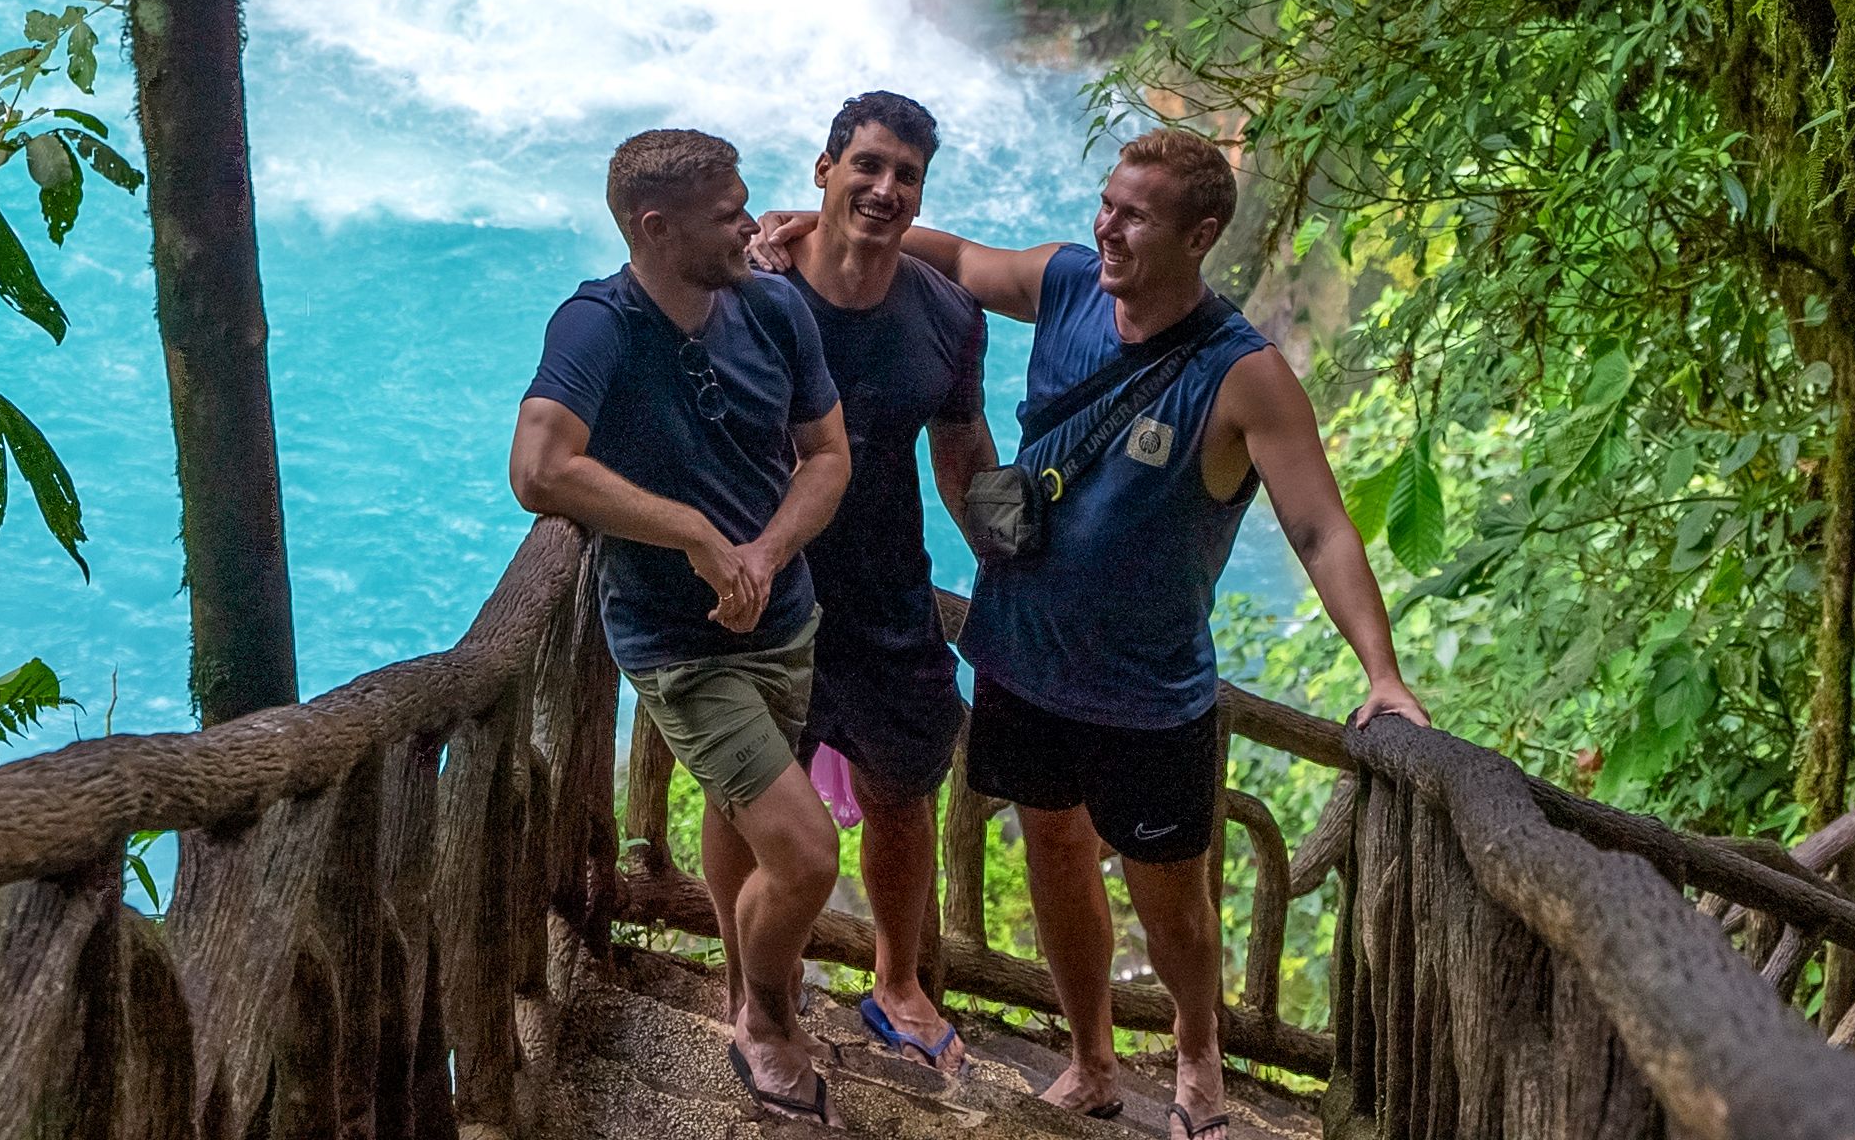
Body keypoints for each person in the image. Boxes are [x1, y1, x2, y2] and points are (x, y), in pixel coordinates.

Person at [793, 125, 1424, 1137]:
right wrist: (818, 223)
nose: (1107, 227)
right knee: (1052, 854)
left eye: (1134, 214)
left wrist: (1380, 671)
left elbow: (1318, 526)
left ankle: (1195, 1051)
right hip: (1023, 658)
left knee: (1169, 902)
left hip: (1149, 688)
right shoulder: (1067, 284)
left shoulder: (1241, 374)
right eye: (1106, 203)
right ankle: (1088, 1059)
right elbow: (951, 258)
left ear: (1200, 233)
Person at [510, 127, 855, 1122]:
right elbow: (536, 467)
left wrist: (767, 551)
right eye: (729, 212)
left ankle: (742, 983)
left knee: (750, 827)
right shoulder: (598, 326)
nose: (754, 224)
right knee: (805, 851)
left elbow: (825, 456)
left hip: (782, 619)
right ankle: (769, 1020)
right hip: (677, 642)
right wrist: (695, 533)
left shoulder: (773, 307)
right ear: (655, 229)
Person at [773, 89, 996, 1084]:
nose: (883, 186)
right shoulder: (755, 291)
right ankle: (757, 985)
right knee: (754, 787)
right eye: (865, 164)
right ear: (823, 170)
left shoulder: (945, 316)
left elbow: (961, 455)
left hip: (884, 589)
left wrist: (1013, 561)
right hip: (765, 588)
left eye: (904, 174)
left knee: (904, 786)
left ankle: (896, 980)